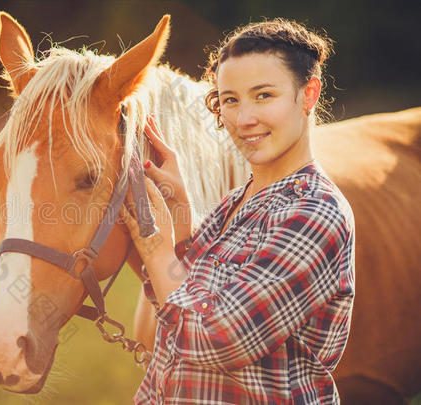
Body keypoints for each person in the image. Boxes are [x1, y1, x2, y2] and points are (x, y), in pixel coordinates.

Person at [120, 18, 355, 404]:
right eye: (230, 100)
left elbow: (218, 340)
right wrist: (181, 225)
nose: (244, 120)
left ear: (308, 93)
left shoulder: (314, 213)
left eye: (264, 96)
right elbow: (182, 310)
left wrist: (155, 247)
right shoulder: (233, 203)